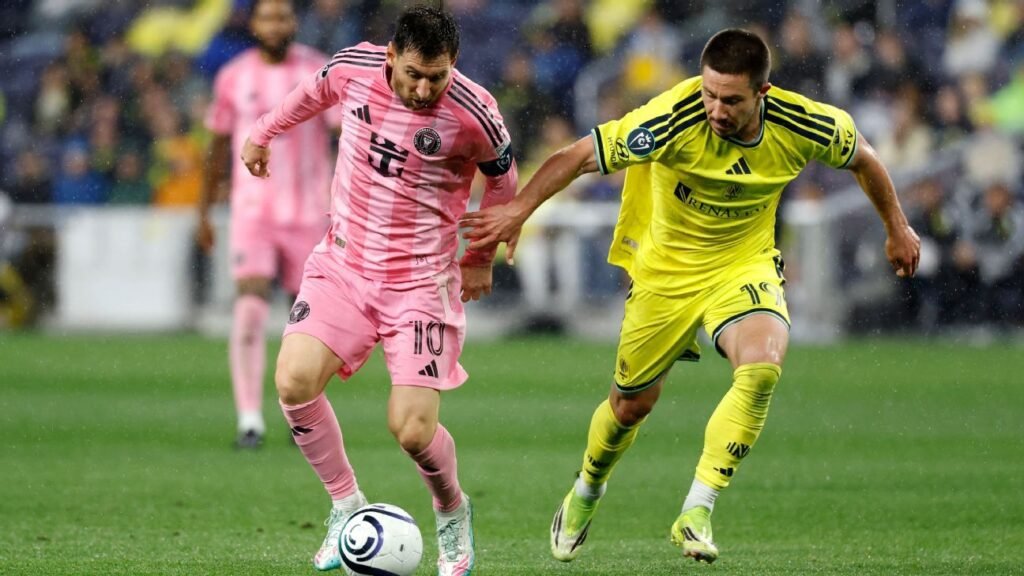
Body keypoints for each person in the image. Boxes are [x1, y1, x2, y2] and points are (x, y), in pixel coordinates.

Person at [461, 28, 920, 564]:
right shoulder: (672, 118)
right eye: (709, 94)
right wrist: (519, 210)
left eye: (731, 100)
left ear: (763, 93)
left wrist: (898, 227)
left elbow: (865, 158)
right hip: (666, 275)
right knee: (631, 406)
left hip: (743, 264)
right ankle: (587, 488)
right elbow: (579, 155)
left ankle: (697, 510)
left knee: (762, 368)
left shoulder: (804, 123)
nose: (716, 110)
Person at [241, 6, 517, 574]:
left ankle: (451, 509)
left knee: (412, 431)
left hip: (420, 284)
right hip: (343, 265)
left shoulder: (476, 113)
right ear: (391, 56)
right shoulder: (353, 68)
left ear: (454, 63)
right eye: (414, 74)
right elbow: (309, 94)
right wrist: (263, 132)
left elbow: (504, 184)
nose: (423, 89)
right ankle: (345, 504)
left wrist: (479, 258)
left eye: (437, 77)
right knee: (292, 381)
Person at [198, 0, 334, 449]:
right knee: (251, 305)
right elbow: (217, 146)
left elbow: (347, 134)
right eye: (267, 17)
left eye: (283, 16)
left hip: (310, 212)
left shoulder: (319, 70)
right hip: (253, 212)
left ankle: (304, 416)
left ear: (294, 22)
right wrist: (203, 211)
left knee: (307, 320)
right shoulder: (234, 75)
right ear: (253, 23)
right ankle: (250, 420)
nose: (275, 25)